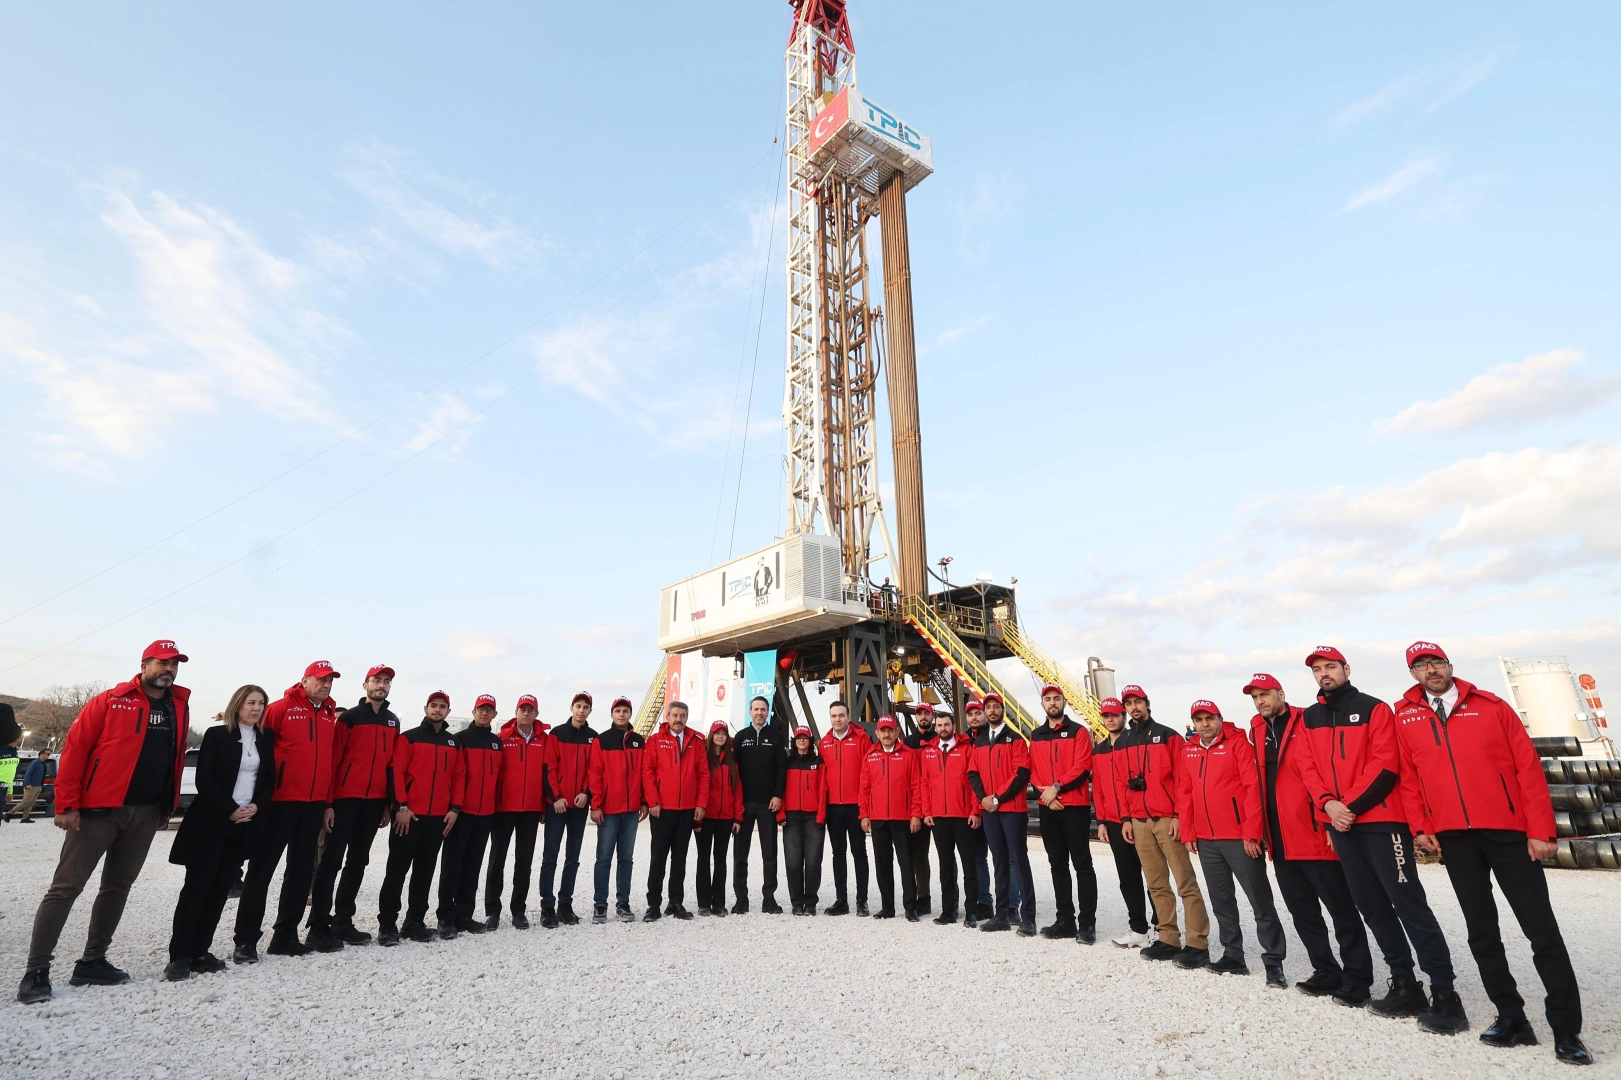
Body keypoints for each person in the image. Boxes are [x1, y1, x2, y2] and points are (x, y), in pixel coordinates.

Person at [1392, 643, 1589, 1063]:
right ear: (1413, 674)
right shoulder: (1404, 716)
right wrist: (1422, 825)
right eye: (1421, 666)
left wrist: (1540, 830)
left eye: (1436, 662)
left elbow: (1528, 768)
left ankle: (1566, 1030)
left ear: (1449, 665)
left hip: (1508, 832)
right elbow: (1409, 776)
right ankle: (1511, 1017)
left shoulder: (1492, 707)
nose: (1430, 670)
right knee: (1481, 932)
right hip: (1455, 838)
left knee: (1541, 930)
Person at [1296, 646, 1463, 1034]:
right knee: (1371, 907)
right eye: (1318, 669)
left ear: (1346, 669)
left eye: (1331, 667)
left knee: (1409, 905)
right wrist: (1328, 804)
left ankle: (1445, 992)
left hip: (1382, 821)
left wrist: (1347, 806)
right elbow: (1307, 767)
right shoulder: (1310, 717)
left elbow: (1386, 763)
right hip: (1342, 825)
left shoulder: (1374, 708)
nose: (1324, 674)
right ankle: (1404, 983)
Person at [17, 641, 191, 1004]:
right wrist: (67, 804)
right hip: (98, 810)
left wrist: (167, 805)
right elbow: (77, 750)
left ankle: (92, 961)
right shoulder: (111, 700)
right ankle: (36, 971)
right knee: (66, 887)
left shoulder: (178, 705)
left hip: (146, 812)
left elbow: (173, 758)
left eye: (174, 664)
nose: (169, 669)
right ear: (144, 665)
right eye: (162, 662)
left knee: (117, 888)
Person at [1244, 673, 1373, 1004]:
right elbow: (1257, 785)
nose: (1260, 701)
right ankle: (1325, 970)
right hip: (1280, 840)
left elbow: (1323, 772)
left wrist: (1327, 823)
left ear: (1280, 693)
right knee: (1303, 912)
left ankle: (1357, 977)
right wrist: (1255, 831)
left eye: (1265, 694)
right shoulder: (1256, 730)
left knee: (1341, 909)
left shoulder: (1306, 720)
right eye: (1255, 697)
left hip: (1312, 832)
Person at [163, 685, 276, 981]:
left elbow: (269, 780)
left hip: (245, 823)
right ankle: (179, 957)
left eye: (261, 703)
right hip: (212, 822)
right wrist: (230, 808)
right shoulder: (217, 735)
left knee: (220, 889)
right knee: (196, 889)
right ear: (237, 705)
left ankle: (200, 952)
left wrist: (256, 806)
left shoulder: (266, 738)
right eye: (251, 702)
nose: (256, 708)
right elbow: (205, 780)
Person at [233, 660, 340, 962]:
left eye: (330, 680)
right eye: (320, 679)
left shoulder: (329, 714)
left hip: (313, 804)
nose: (326, 685)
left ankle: (285, 936)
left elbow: (330, 762)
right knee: (261, 871)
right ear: (305, 681)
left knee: (301, 872)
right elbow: (257, 751)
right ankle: (245, 940)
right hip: (279, 803)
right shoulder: (280, 708)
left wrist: (328, 803)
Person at [1177, 700, 1286, 985]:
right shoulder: (1188, 751)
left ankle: (1274, 962)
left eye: (1209, 718)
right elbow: (1184, 792)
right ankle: (1233, 956)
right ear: (1194, 723)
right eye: (1199, 720)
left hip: (1239, 838)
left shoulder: (1238, 745)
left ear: (1219, 718)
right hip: (1206, 839)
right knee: (1221, 900)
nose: (1204, 724)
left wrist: (1252, 833)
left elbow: (1254, 790)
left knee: (1259, 900)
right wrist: (1188, 832)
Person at [1114, 684, 1210, 967]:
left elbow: (1183, 779)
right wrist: (1125, 819)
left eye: (1138, 702)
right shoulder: (1122, 742)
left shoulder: (1168, 736)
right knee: (1156, 884)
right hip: (1139, 821)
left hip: (1167, 819)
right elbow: (1121, 783)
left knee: (1185, 882)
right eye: (1129, 703)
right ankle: (1168, 938)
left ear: (1147, 703)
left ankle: (1197, 943)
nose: (1134, 707)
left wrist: (1180, 816)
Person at [307, 664, 400, 951]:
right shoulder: (349, 718)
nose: (381, 685)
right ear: (365, 685)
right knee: (331, 861)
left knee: (358, 862)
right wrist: (329, 803)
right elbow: (333, 761)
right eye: (376, 680)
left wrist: (388, 803)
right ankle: (318, 925)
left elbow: (391, 766)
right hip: (345, 799)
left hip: (373, 802)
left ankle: (343, 922)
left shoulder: (393, 722)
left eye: (386, 681)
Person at [377, 692, 463, 946]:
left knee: (424, 872)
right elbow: (396, 772)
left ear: (448, 711)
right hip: (409, 816)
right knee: (397, 871)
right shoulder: (409, 738)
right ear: (426, 708)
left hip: (437, 818)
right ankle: (387, 924)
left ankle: (414, 921)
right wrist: (401, 807)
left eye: (442, 707)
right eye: (433, 706)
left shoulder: (453, 743)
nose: (438, 710)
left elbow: (459, 776)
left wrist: (455, 809)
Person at [1028, 684, 1098, 944]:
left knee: (1082, 864)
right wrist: (1046, 793)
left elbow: (1083, 766)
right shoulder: (1036, 735)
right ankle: (1065, 921)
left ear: (1064, 702)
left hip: (1074, 807)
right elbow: (1033, 769)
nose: (1052, 703)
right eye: (1048, 699)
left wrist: (1056, 788)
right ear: (1042, 704)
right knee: (1057, 864)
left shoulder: (1079, 732)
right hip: (1049, 808)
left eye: (1056, 698)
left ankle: (1087, 924)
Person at [967, 693, 1036, 936]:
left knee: (1018, 860)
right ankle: (1001, 915)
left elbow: (1021, 772)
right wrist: (984, 799)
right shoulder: (980, 741)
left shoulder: (1015, 739)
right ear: (985, 712)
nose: (992, 711)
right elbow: (973, 773)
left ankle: (1028, 918)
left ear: (1002, 710)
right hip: (989, 810)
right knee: (998, 862)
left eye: (996, 707)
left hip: (1012, 810)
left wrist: (996, 798)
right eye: (988, 707)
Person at [438, 694, 501, 938]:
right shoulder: (460, 739)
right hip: (462, 812)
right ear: (473, 711)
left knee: (472, 866)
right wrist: (454, 807)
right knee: (452, 865)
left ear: (494, 714)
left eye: (489, 710)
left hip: (485, 814)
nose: (484, 713)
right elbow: (453, 775)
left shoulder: (496, 743)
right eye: (480, 709)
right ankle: (446, 917)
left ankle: (465, 914)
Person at [1093, 697, 1152, 948]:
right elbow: (1098, 789)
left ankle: (1162, 926)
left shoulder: (1134, 742)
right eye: (1106, 716)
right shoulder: (1099, 750)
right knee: (1128, 877)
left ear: (1123, 716)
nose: (1110, 720)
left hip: (1138, 818)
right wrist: (1101, 821)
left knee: (1153, 875)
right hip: (1114, 822)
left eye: (1114, 715)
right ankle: (1138, 928)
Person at [641, 702, 708, 920]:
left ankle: (675, 902)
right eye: (675, 715)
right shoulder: (655, 740)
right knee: (658, 857)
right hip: (662, 809)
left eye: (683, 715)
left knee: (680, 858)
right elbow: (647, 772)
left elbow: (703, 774)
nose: (679, 719)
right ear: (667, 716)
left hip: (686, 809)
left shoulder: (696, 742)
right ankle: (653, 904)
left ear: (687, 717)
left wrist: (700, 804)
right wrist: (653, 801)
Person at [487, 695, 548, 930]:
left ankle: (518, 910)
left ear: (536, 714)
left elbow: (547, 774)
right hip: (504, 809)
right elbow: (493, 774)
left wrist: (543, 806)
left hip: (531, 810)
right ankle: (492, 911)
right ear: (516, 711)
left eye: (530, 710)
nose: (526, 713)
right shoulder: (502, 738)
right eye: (522, 709)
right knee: (497, 861)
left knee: (524, 863)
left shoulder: (544, 740)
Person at [538, 691, 596, 928]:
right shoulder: (557, 734)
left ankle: (565, 904)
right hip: (558, 806)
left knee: (572, 857)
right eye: (578, 706)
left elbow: (595, 770)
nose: (581, 710)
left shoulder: (593, 738)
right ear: (571, 708)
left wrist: (586, 793)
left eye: (585, 707)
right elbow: (548, 768)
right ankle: (547, 906)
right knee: (550, 856)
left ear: (590, 711)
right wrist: (556, 797)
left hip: (579, 806)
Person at [918, 709, 980, 927]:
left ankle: (971, 911)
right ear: (935, 727)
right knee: (945, 866)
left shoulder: (967, 748)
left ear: (954, 727)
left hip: (963, 815)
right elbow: (924, 782)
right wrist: (927, 811)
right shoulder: (928, 751)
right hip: (939, 817)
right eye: (939, 725)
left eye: (946, 725)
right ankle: (948, 911)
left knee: (969, 865)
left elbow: (975, 781)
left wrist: (975, 811)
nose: (943, 728)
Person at [588, 696, 647, 924]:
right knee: (604, 858)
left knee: (626, 859)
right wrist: (596, 805)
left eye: (625, 711)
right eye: (618, 711)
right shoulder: (601, 740)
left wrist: (644, 801)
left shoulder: (639, 741)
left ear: (630, 714)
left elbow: (643, 773)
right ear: (612, 714)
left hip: (631, 810)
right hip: (609, 809)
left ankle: (623, 904)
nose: (621, 714)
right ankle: (600, 905)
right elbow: (595, 774)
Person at [858, 716, 924, 920]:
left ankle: (910, 907)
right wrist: (864, 815)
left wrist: (916, 814)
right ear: (877, 733)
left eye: (890, 730)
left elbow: (916, 786)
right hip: (878, 819)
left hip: (903, 818)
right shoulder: (870, 756)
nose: (887, 734)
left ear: (897, 732)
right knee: (883, 864)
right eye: (883, 731)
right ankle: (887, 907)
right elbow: (864, 789)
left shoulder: (909, 755)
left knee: (907, 864)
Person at [732, 695, 786, 914]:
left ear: (768, 712)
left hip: (767, 804)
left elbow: (781, 768)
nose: (759, 713)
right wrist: (735, 802)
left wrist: (777, 795)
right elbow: (734, 771)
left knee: (769, 854)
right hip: (744, 804)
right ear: (750, 712)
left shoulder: (776, 736)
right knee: (740, 854)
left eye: (763, 709)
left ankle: (769, 899)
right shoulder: (741, 737)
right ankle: (741, 899)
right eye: (756, 709)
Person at [818, 700, 871, 916]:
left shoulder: (861, 739)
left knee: (859, 852)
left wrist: (866, 807)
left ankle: (862, 901)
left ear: (848, 717)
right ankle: (842, 900)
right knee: (838, 853)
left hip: (855, 806)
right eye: (834, 716)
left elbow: (869, 773)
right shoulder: (824, 743)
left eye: (841, 715)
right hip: (833, 807)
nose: (837, 719)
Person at [695, 721, 741, 917]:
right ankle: (704, 903)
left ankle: (719, 903)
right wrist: (696, 818)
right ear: (711, 735)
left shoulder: (731, 761)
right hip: (706, 817)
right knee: (703, 859)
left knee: (720, 859)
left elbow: (737, 789)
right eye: (717, 733)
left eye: (724, 733)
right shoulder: (703, 759)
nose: (720, 736)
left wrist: (737, 817)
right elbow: (697, 787)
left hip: (725, 818)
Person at [781, 726, 827, 915]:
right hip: (791, 817)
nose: (802, 740)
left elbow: (823, 789)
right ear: (794, 741)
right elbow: (780, 788)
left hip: (812, 816)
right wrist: (780, 814)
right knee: (793, 861)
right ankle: (797, 902)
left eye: (805, 738)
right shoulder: (787, 762)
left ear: (810, 741)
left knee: (813, 861)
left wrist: (821, 815)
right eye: (799, 738)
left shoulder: (818, 762)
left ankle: (810, 902)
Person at [961, 698, 996, 917]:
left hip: (993, 805)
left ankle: (1011, 905)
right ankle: (984, 902)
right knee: (977, 857)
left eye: (977, 713)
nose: (974, 717)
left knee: (1005, 858)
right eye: (970, 714)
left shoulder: (993, 737)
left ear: (984, 714)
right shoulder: (964, 741)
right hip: (973, 808)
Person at [902, 703, 938, 915]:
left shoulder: (940, 739)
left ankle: (951, 899)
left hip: (939, 804)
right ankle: (922, 896)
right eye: (920, 714)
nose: (923, 717)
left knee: (946, 855)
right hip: (917, 806)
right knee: (918, 855)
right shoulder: (907, 743)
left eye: (927, 713)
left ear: (932, 715)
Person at [8, 749, 51, 823]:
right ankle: (9, 813)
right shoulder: (35, 763)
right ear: (42, 754)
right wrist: (27, 784)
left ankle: (25, 817)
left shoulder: (43, 764)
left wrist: (40, 786)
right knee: (25, 802)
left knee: (31, 803)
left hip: (38, 786)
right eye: (48, 754)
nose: (48, 756)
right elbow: (28, 773)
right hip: (31, 786)